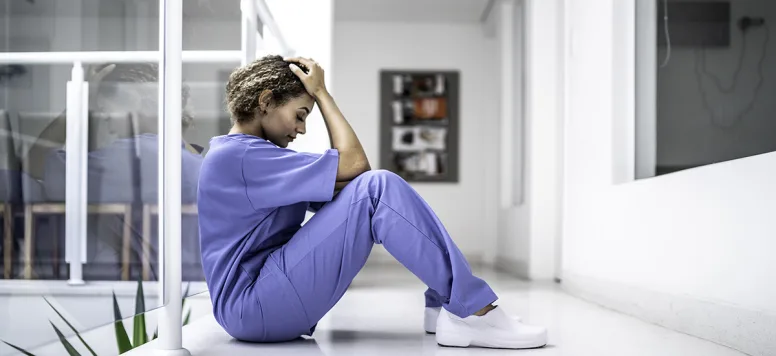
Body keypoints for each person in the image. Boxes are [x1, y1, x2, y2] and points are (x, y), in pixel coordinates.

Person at [197, 55, 548, 349]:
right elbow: (356, 166)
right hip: (254, 305)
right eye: (301, 114)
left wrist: (356, 188)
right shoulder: (241, 158)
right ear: (265, 101)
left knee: (373, 188)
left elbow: (349, 187)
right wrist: (321, 92)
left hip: (260, 299)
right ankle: (474, 312)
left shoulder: (252, 157)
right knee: (377, 185)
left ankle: (448, 304)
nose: (301, 129)